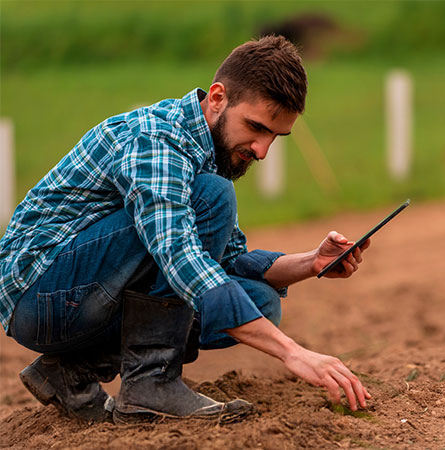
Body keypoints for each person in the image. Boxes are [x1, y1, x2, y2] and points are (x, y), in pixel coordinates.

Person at [0, 35, 371, 424]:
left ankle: (70, 370)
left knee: (259, 300)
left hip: (83, 294)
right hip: (40, 294)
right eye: (256, 127)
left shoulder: (207, 150)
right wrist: (292, 352)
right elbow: (180, 255)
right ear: (217, 98)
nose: (262, 150)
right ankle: (152, 383)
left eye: (274, 137)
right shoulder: (157, 140)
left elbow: (227, 261)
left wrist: (312, 262)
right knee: (212, 197)